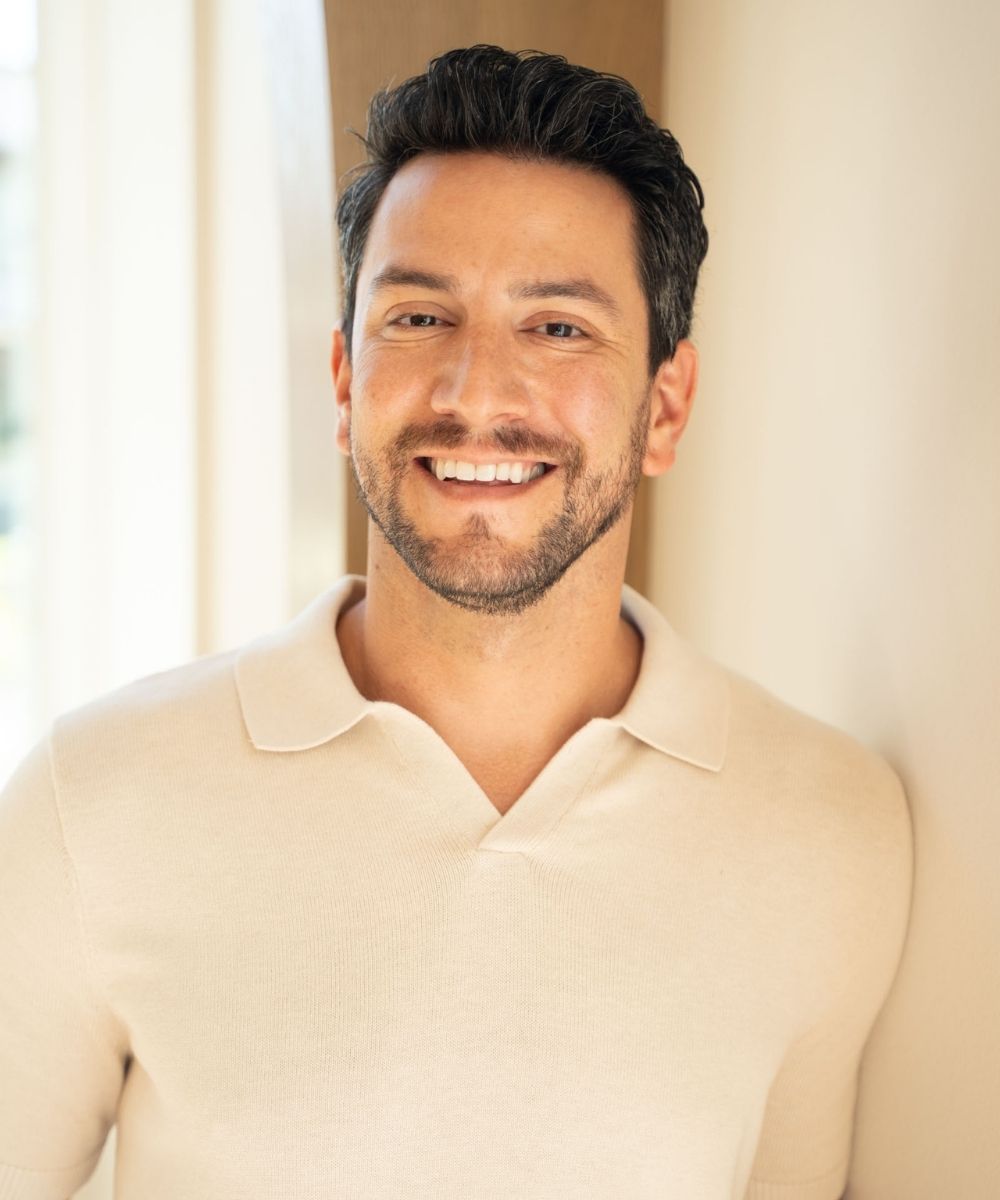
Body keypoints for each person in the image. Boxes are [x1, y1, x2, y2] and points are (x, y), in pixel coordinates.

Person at [0, 45, 912, 1200]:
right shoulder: (91, 805)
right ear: (343, 383)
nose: (477, 395)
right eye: (421, 316)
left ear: (664, 407)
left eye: (559, 329)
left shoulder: (834, 833)